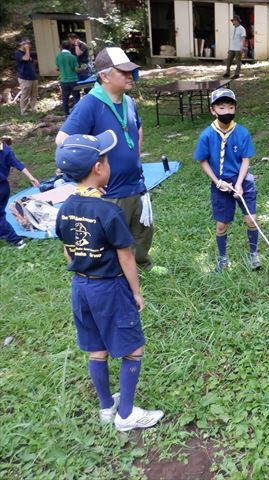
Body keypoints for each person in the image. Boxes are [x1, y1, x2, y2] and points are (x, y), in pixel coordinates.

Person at [54, 130, 164, 432]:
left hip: (81, 287)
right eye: (106, 158)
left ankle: (106, 406)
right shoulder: (108, 211)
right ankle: (126, 414)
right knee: (134, 347)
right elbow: (126, 257)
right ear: (99, 168)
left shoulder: (64, 208)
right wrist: (136, 292)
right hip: (109, 288)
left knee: (97, 348)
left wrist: (83, 268)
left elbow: (67, 250)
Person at [55, 47, 164, 274]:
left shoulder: (128, 102)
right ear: (104, 76)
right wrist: (90, 179)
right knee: (115, 238)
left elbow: (139, 129)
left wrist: (134, 157)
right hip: (110, 191)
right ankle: (118, 275)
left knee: (143, 230)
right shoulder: (89, 104)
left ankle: (142, 266)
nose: (129, 76)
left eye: (130, 71)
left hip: (135, 183)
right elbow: (63, 140)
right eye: (122, 72)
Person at [194, 88, 260, 272]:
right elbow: (202, 160)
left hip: (241, 180)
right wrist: (217, 181)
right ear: (213, 110)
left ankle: (254, 254)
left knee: (251, 220)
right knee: (222, 224)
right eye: (221, 108)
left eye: (231, 107)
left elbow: (246, 159)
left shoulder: (242, 132)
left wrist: (239, 183)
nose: (227, 112)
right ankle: (223, 258)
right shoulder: (207, 135)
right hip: (221, 184)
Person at [0, 137, 40, 248]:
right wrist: (31, 177)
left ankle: (17, 241)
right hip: (4, 187)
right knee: (1, 213)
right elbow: (17, 163)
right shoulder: (5, 148)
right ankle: (3, 230)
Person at [55, 40, 80, 116]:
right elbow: (76, 69)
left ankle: (66, 113)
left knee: (65, 98)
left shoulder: (58, 57)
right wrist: (81, 69)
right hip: (73, 80)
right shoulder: (73, 57)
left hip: (63, 80)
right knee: (76, 97)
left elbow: (57, 68)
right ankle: (76, 112)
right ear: (70, 48)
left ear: (62, 47)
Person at [14, 38, 38, 116]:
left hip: (33, 77)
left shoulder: (27, 53)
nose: (28, 45)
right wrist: (27, 50)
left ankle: (34, 109)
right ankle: (23, 112)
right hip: (25, 78)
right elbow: (26, 58)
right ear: (21, 44)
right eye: (26, 44)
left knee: (34, 95)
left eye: (29, 44)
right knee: (25, 95)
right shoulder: (18, 53)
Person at [223, 15, 246, 79]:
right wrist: (229, 48)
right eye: (232, 21)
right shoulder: (233, 29)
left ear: (237, 21)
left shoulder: (242, 29)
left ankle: (237, 74)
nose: (233, 22)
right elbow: (231, 39)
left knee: (238, 62)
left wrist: (242, 47)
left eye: (234, 21)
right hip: (231, 48)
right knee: (228, 60)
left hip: (238, 49)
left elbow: (243, 38)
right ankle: (227, 73)